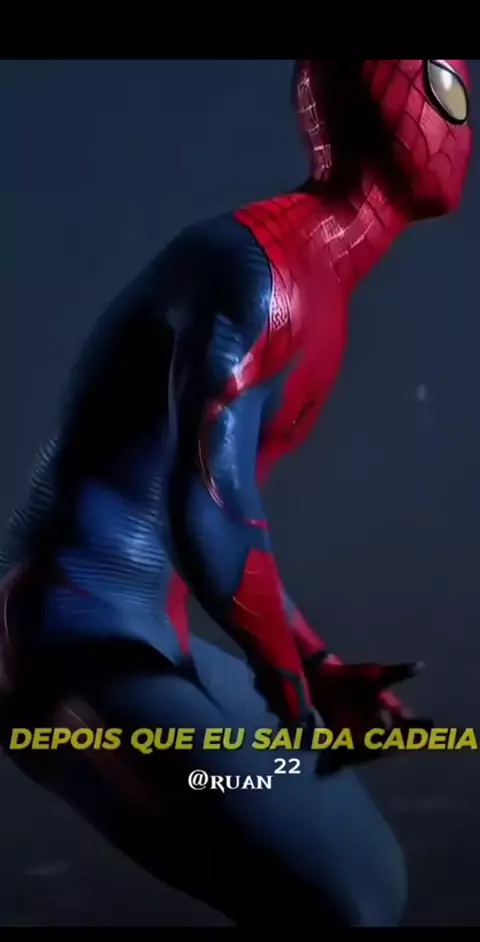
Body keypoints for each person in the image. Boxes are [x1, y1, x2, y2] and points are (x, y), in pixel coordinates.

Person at [0, 60, 472, 927]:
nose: (462, 129)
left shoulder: (306, 276)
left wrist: (314, 667)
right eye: (447, 90)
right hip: (67, 645)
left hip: (148, 628)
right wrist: (290, 686)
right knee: (348, 899)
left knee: (374, 873)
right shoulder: (262, 272)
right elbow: (210, 516)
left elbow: (223, 514)